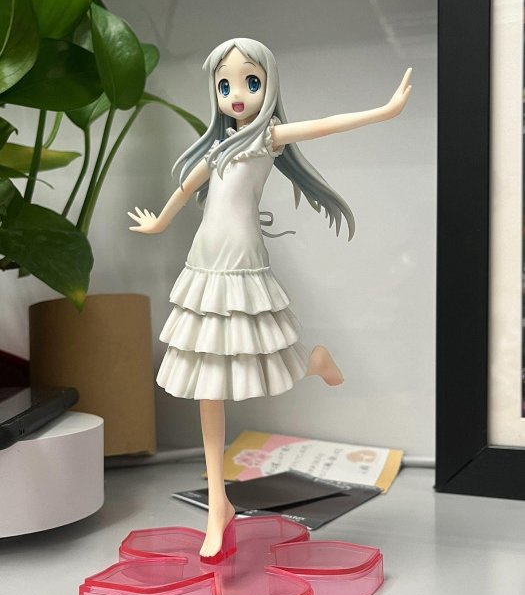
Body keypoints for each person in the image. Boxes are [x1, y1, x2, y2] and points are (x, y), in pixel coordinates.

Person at [129, 37, 412, 560]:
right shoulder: (217, 148)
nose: (236, 94)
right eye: (225, 85)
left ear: (269, 85)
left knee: (258, 359)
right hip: (204, 264)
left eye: (251, 82)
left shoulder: (268, 138)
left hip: (242, 264)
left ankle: (312, 361)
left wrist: (384, 111)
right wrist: (160, 222)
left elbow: (326, 125)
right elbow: (188, 188)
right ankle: (218, 504)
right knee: (206, 383)